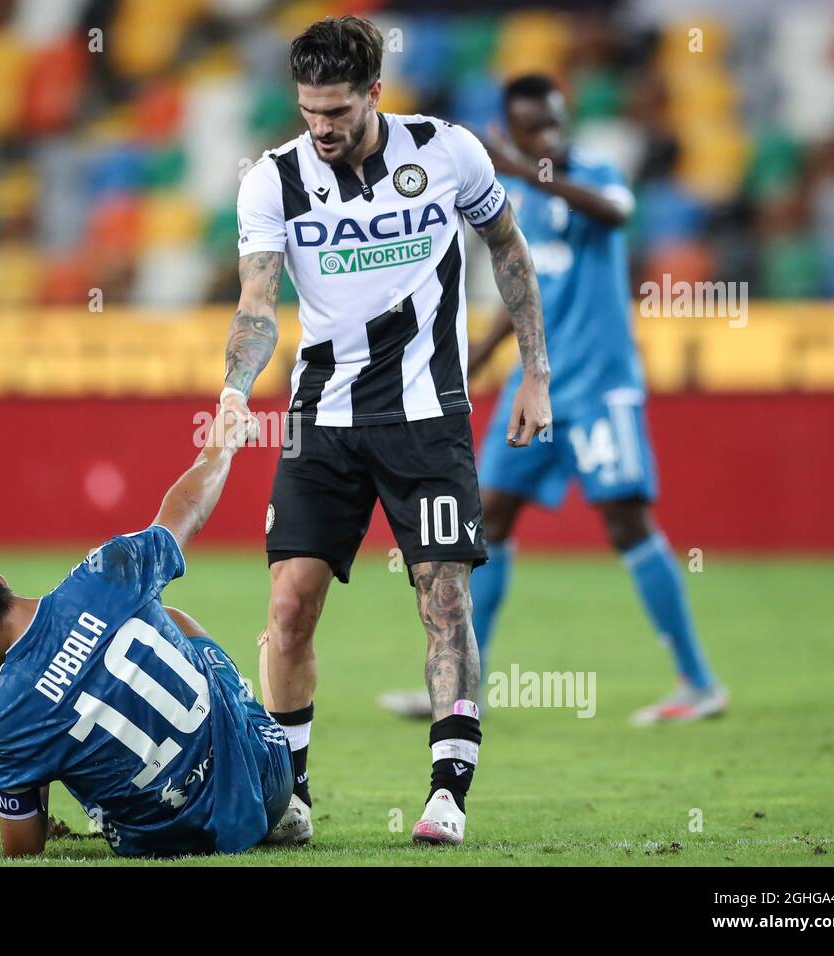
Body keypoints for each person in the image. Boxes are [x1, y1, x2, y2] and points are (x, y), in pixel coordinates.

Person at [222, 16, 551, 846]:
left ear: (375, 92)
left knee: (443, 595)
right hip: (320, 418)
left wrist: (536, 373)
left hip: (427, 414)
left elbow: (509, 250)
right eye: (308, 112)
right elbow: (257, 303)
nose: (321, 128)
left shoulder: (446, 151)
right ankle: (289, 796)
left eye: (336, 111)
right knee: (290, 602)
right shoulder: (271, 180)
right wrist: (233, 388)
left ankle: (447, 792)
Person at [383, 74, 726, 726]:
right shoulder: (513, 200)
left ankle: (698, 681)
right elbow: (518, 296)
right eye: (532, 128)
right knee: (488, 524)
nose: (547, 137)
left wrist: (527, 173)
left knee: (628, 524)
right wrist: (469, 364)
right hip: (534, 389)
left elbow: (618, 213)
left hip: (600, 386)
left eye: (554, 123)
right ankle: (461, 685)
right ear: (511, 131)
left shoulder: (595, 174)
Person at [0, 408, 310, 858]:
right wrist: (223, 440)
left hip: (166, 842)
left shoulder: (1, 721)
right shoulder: (105, 572)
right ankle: (279, 794)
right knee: (175, 621)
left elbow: (25, 848)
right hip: (266, 782)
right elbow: (187, 509)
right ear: (0, 580)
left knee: (52, 747)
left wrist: (30, 769)